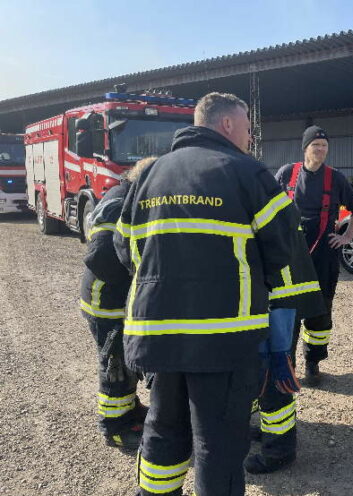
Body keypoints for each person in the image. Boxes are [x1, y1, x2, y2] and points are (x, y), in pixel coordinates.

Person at [114, 92, 294, 496]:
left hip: (159, 333)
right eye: (248, 125)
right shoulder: (247, 172)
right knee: (219, 444)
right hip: (223, 338)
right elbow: (282, 248)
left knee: (163, 430)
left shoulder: (148, 175)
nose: (250, 135)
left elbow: (125, 249)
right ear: (227, 124)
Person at [274, 126, 353, 386]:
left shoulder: (335, 178)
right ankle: (286, 363)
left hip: (324, 256)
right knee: (287, 311)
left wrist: (347, 237)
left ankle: (313, 363)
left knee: (320, 312)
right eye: (316, 145)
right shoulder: (286, 174)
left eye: (324, 146)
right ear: (305, 148)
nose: (321, 150)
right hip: (290, 257)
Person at [80, 156, 155, 449]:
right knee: (114, 363)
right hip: (105, 300)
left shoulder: (128, 194)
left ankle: (130, 409)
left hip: (114, 299)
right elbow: (99, 256)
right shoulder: (118, 201)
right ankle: (115, 427)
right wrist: (133, 275)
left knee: (124, 359)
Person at [245, 205, 327, 474]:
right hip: (278, 300)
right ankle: (269, 435)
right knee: (264, 375)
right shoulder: (264, 193)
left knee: (272, 378)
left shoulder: (248, 196)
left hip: (271, 303)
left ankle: (279, 450)